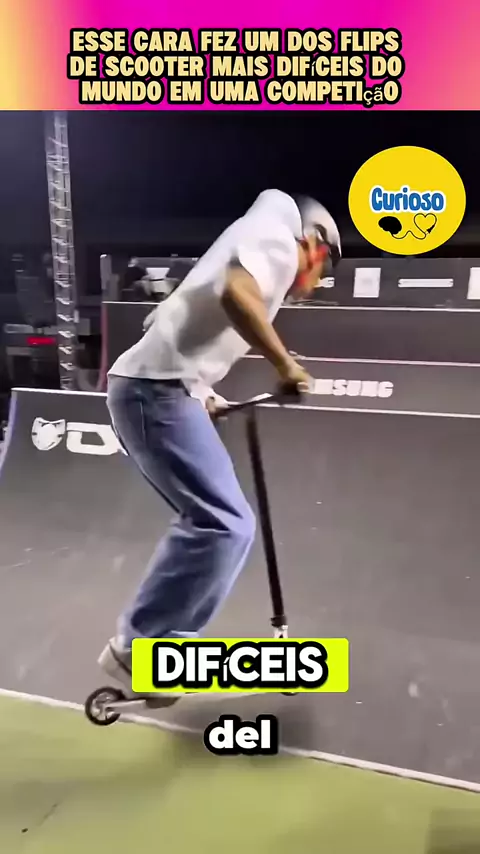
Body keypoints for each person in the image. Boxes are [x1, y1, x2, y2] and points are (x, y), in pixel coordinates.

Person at [98, 189, 341, 702]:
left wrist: (203, 392)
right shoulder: (278, 240)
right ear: (314, 243)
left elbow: (176, 320)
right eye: (322, 268)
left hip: (164, 389)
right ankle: (139, 648)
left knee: (226, 525)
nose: (316, 283)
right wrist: (287, 366)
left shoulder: (249, 237)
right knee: (223, 523)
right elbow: (234, 294)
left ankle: (156, 650)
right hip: (153, 392)